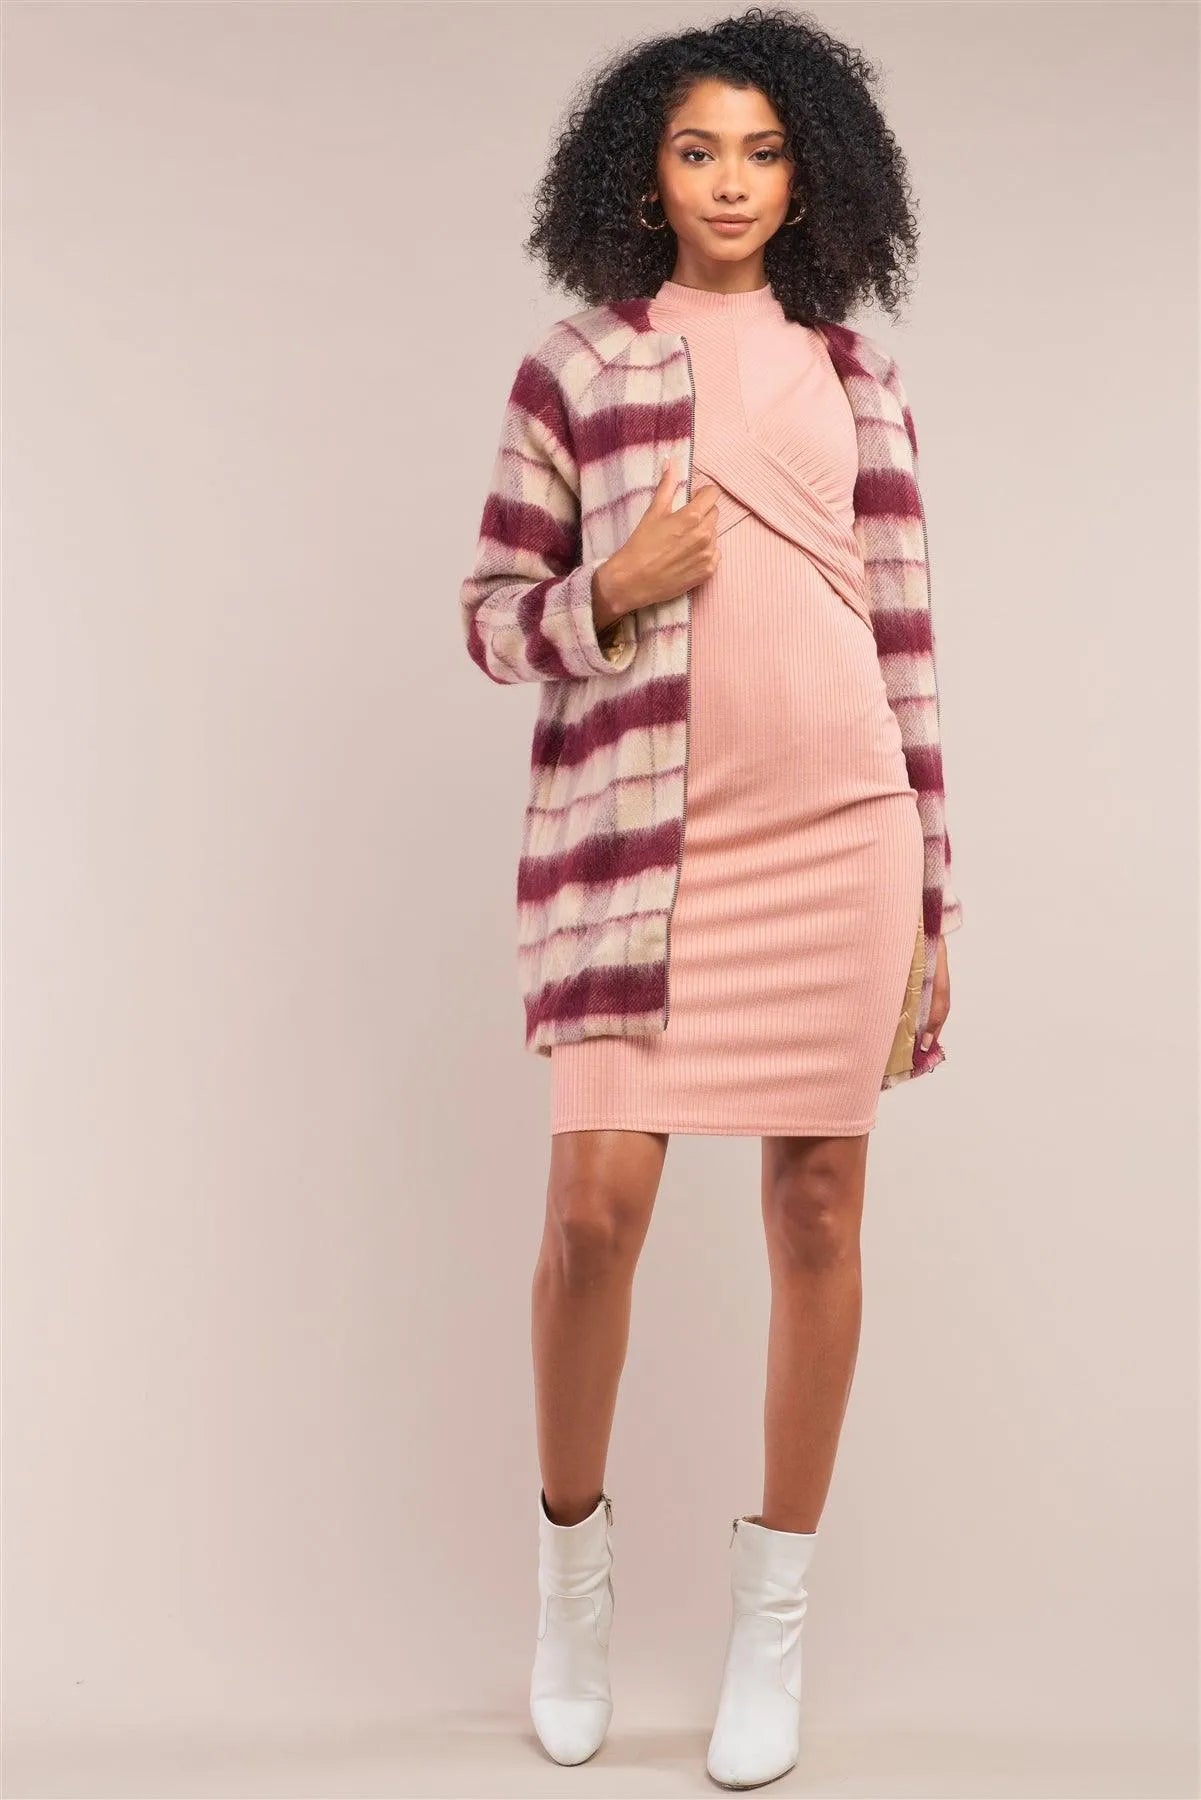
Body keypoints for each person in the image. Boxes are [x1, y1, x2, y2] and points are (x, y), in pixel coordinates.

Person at [459, 7, 964, 1786]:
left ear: (809, 174)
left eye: (760, 150)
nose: (730, 181)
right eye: (696, 150)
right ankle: (570, 1584)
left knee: (816, 1215)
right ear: (642, 173)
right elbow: (488, 620)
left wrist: (934, 896)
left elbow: (904, 642)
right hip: (638, 845)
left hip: (841, 830)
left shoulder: (856, 376)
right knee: (591, 1217)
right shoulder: (574, 369)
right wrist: (615, 584)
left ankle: (772, 1625)